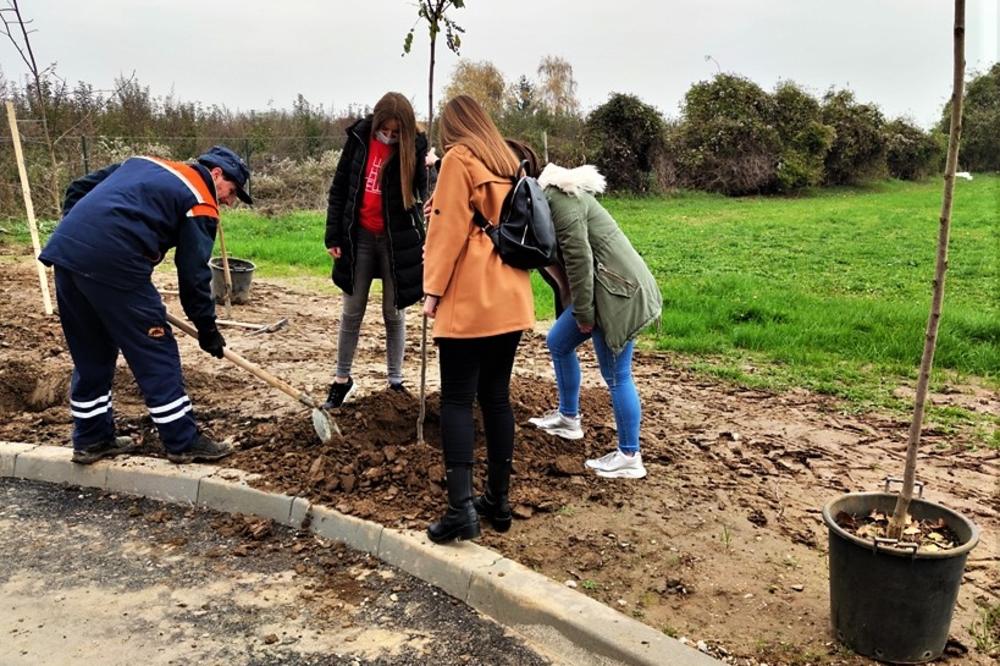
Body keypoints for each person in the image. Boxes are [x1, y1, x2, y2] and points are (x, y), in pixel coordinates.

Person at [38, 145, 253, 465]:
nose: (229, 200)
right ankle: (182, 440)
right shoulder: (201, 201)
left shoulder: (144, 163)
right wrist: (207, 328)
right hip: (118, 265)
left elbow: (79, 188)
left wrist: (82, 235)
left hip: (66, 255)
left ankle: (92, 439)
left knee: (92, 353)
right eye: (232, 191)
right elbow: (194, 275)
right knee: (156, 350)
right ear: (216, 174)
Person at [422, 96, 535, 543]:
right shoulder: (510, 159)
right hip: (511, 294)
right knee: (496, 397)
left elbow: (448, 231)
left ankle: (459, 510)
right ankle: (498, 501)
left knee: (455, 400)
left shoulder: (457, 158)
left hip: (471, 296)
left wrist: (432, 291)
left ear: (452, 127)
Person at [524, 153, 662, 480]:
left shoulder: (561, 203)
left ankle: (630, 455)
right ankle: (568, 419)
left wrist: (584, 314)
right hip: (604, 289)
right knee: (558, 341)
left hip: (618, 294)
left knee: (617, 375)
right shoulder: (549, 201)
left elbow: (579, 260)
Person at [323, 92, 428, 408]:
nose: (391, 137)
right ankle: (342, 380)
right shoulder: (358, 140)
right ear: (377, 123)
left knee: (394, 313)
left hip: (397, 242)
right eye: (387, 131)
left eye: (397, 134)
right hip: (360, 238)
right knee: (352, 311)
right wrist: (333, 236)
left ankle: (395, 383)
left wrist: (427, 166)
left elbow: (421, 194)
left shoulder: (415, 147)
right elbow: (340, 189)